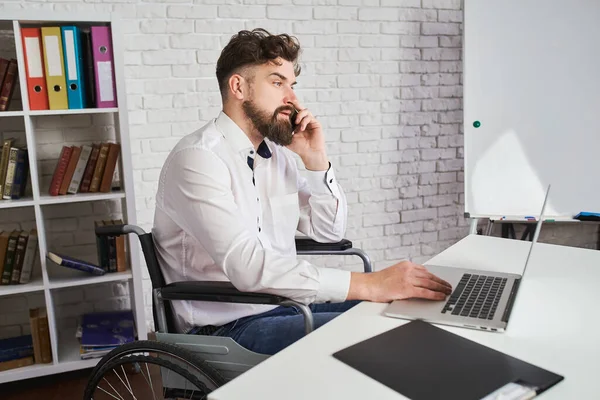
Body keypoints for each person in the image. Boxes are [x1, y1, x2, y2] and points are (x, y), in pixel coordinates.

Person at [152, 29, 452, 355]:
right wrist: (369, 283)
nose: (293, 99)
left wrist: (315, 160)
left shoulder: (277, 156)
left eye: (292, 86)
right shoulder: (198, 159)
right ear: (238, 86)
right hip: (224, 326)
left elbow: (327, 231)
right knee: (380, 332)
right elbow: (249, 268)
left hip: (283, 304)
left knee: (400, 315)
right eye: (277, 82)